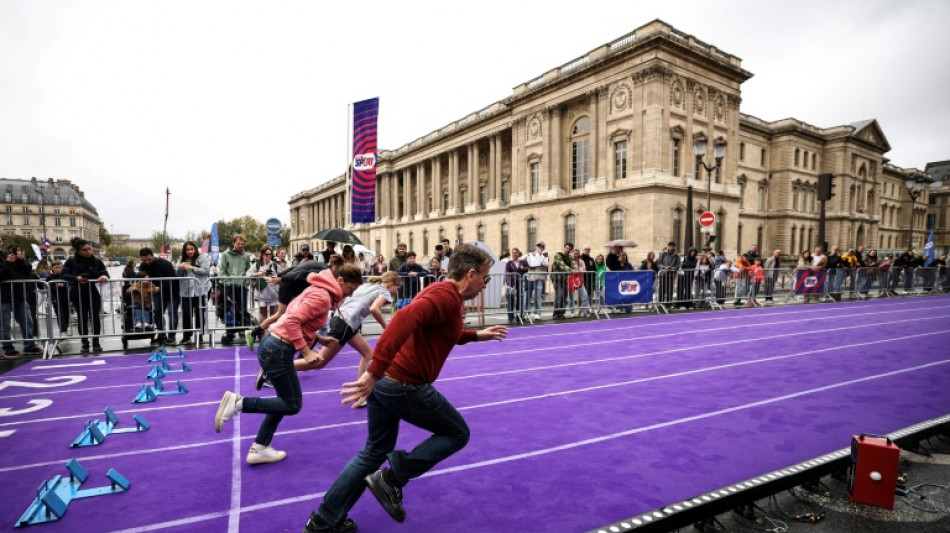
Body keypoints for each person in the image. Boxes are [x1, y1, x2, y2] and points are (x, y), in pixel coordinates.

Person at [302, 243, 507, 533]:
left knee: (373, 452)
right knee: (457, 433)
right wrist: (372, 372)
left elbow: (442, 331)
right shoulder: (445, 297)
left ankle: (324, 521)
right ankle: (394, 476)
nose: (484, 285)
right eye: (484, 278)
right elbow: (402, 321)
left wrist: (475, 335)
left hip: (388, 384)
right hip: (403, 384)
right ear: (470, 274)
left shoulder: (445, 296)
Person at [214, 261, 364, 465]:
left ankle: (260, 447)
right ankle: (238, 403)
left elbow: (293, 318)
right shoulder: (322, 296)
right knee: (292, 404)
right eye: (350, 289)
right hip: (278, 349)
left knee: (283, 401)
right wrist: (306, 351)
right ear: (340, 280)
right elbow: (292, 321)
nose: (350, 294)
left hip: (273, 346)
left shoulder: (318, 290)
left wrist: (319, 339)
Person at [290, 272, 402, 387]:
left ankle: (361, 388)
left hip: (345, 321)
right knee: (320, 362)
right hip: (345, 324)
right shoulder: (384, 291)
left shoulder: (368, 286)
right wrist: (386, 327)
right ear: (391, 284)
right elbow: (374, 309)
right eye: (397, 288)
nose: (397, 292)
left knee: (368, 354)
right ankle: (281, 366)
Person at [62, 238, 109, 353]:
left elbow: (106, 274)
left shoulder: (97, 261)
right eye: (84, 250)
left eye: (89, 249)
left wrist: (103, 277)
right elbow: (63, 274)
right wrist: (76, 278)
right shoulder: (71, 261)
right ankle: (85, 343)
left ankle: (96, 342)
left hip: (93, 292)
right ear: (78, 251)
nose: (88, 252)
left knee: (95, 318)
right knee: (82, 319)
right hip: (78, 293)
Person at [0, 248, 43, 358]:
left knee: (27, 321)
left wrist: (20, 260)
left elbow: (27, 271)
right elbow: (2, 275)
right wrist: (8, 264)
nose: (14, 256)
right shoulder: (4, 262)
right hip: (3, 298)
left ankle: (29, 346)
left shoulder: (16, 262)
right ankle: (8, 348)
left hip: (19, 296)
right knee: (4, 325)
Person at [138, 247, 181, 345]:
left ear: (152, 255)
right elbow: (140, 279)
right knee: (157, 312)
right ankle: (162, 335)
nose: (147, 262)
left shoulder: (165, 264)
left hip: (172, 292)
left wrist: (159, 288)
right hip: (157, 292)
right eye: (144, 260)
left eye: (149, 259)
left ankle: (172, 337)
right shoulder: (143, 266)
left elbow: (173, 280)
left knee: (172, 313)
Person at [218, 234, 252, 345]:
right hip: (229, 286)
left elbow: (249, 270)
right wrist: (228, 282)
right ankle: (230, 331)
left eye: (242, 244)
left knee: (242, 308)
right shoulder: (225, 255)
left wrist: (246, 283)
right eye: (238, 244)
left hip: (241, 286)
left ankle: (243, 330)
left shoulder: (245, 256)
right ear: (233, 243)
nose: (240, 246)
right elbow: (222, 271)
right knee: (230, 310)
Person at [178, 241, 211, 345]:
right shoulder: (182, 259)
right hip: (186, 291)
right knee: (187, 313)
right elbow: (177, 274)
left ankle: (199, 335)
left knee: (199, 313)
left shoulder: (202, 258)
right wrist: (180, 267)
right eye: (187, 250)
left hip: (201, 290)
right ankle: (187, 336)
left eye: (192, 249)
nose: (190, 251)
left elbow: (205, 270)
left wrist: (192, 267)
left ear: (195, 249)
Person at [248, 246, 282, 330]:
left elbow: (282, 276)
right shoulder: (257, 265)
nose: (269, 256)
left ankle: (273, 332)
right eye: (267, 254)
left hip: (273, 293)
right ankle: (264, 332)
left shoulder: (275, 265)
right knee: (263, 314)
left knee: (274, 314)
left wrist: (275, 276)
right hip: (261, 293)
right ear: (262, 254)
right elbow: (248, 274)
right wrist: (260, 273)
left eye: (270, 254)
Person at [46, 261, 72, 338]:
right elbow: (47, 287)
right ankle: (63, 330)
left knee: (66, 313)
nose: (58, 269)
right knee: (59, 313)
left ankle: (65, 328)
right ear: (52, 268)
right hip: (55, 297)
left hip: (65, 296)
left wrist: (64, 285)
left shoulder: (65, 276)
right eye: (56, 267)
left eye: (60, 267)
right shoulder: (50, 277)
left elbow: (70, 283)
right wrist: (56, 285)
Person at [524, 242, 548, 320]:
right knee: (528, 296)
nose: (539, 249)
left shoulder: (544, 256)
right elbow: (528, 263)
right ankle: (527, 312)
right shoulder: (531, 254)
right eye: (538, 247)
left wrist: (540, 259)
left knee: (537, 296)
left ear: (543, 248)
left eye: (541, 247)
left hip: (539, 278)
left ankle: (537, 313)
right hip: (530, 277)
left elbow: (546, 264)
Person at [550, 243, 574, 319]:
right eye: (567, 248)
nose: (568, 250)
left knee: (564, 296)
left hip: (565, 280)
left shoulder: (570, 258)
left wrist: (576, 269)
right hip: (557, 279)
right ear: (564, 248)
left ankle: (561, 313)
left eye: (569, 249)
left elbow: (574, 264)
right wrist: (572, 270)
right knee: (559, 295)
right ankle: (556, 313)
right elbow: (562, 265)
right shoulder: (557, 255)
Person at [505, 248, 528, 322]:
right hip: (511, 283)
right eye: (513, 253)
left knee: (519, 300)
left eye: (516, 252)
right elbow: (507, 273)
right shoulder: (509, 263)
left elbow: (528, 269)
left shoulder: (522, 262)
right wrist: (508, 283)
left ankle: (519, 316)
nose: (514, 254)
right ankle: (510, 317)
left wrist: (522, 268)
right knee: (511, 300)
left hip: (520, 283)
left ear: (518, 253)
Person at [569, 249, 591, 317]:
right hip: (571, 281)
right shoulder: (569, 261)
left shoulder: (581, 261)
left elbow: (584, 269)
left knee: (584, 296)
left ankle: (584, 312)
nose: (576, 255)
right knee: (571, 297)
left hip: (579, 281)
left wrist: (577, 270)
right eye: (574, 253)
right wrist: (575, 270)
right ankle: (572, 312)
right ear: (572, 254)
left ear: (579, 254)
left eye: (577, 254)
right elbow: (567, 269)